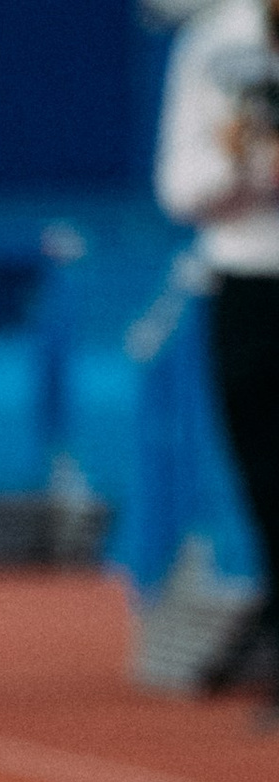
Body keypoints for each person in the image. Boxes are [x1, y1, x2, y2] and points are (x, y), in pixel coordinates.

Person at [157, 0, 279, 692]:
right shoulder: (215, 42)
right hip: (247, 283)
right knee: (264, 472)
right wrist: (248, 169)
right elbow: (180, 187)